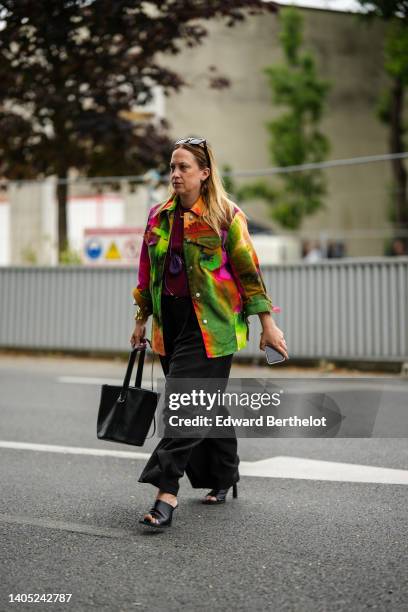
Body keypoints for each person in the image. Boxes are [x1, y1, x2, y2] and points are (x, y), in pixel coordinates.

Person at [130, 136, 288, 529]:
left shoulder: (227, 217)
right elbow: (147, 273)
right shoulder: (158, 217)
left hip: (212, 326)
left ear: (204, 173)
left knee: (184, 406)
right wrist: (141, 319)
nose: (175, 174)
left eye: (184, 167)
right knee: (205, 403)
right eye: (172, 167)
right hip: (172, 322)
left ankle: (166, 494)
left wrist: (268, 324)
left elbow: (250, 274)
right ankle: (223, 475)